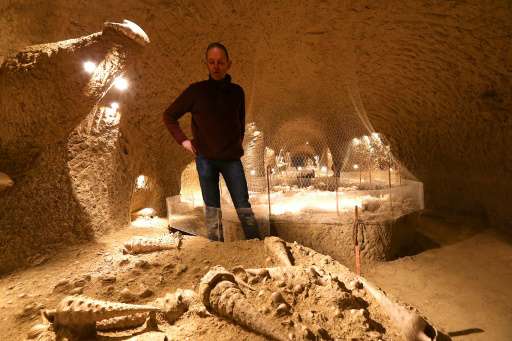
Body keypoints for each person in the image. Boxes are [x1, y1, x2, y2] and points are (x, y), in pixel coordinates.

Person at [163, 42, 260, 241]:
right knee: (212, 208)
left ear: (228, 64)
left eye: (220, 62)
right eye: (212, 62)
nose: (216, 66)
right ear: (206, 64)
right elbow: (169, 115)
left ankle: (255, 242)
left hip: (231, 159)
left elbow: (240, 122)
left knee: (243, 204)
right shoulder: (196, 91)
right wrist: (184, 142)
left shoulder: (237, 92)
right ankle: (216, 246)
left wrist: (236, 142)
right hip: (205, 159)